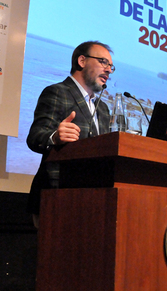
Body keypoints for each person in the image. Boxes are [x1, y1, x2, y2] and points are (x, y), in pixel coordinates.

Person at [26, 41, 114, 228]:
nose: (109, 70)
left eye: (111, 66)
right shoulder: (57, 92)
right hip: (57, 197)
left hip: (93, 201)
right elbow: (35, 136)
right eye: (103, 62)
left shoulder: (104, 109)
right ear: (82, 61)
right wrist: (54, 137)